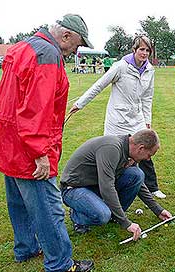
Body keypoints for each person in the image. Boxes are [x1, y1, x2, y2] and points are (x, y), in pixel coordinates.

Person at [0, 14, 94, 272]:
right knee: (48, 207)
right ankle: (59, 263)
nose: (75, 51)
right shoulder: (48, 54)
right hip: (28, 147)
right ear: (67, 36)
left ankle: (26, 247)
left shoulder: (25, 46)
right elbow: (36, 109)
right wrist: (40, 153)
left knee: (18, 202)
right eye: (77, 45)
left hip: (8, 141)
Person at [69, 36, 167, 199]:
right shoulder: (120, 67)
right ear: (134, 50)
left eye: (147, 50)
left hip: (137, 118)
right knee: (114, 156)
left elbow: (147, 97)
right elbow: (99, 86)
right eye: (141, 49)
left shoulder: (150, 70)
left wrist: (147, 121)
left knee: (146, 151)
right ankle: (107, 190)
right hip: (117, 119)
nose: (144, 53)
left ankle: (152, 187)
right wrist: (79, 104)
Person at [60, 130, 172, 238]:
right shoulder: (112, 148)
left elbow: (139, 185)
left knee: (137, 174)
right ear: (141, 148)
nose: (148, 159)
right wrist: (126, 223)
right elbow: (107, 187)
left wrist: (158, 210)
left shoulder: (128, 151)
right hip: (74, 189)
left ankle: (114, 216)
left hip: (96, 185)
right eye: (149, 155)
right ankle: (78, 216)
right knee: (103, 215)